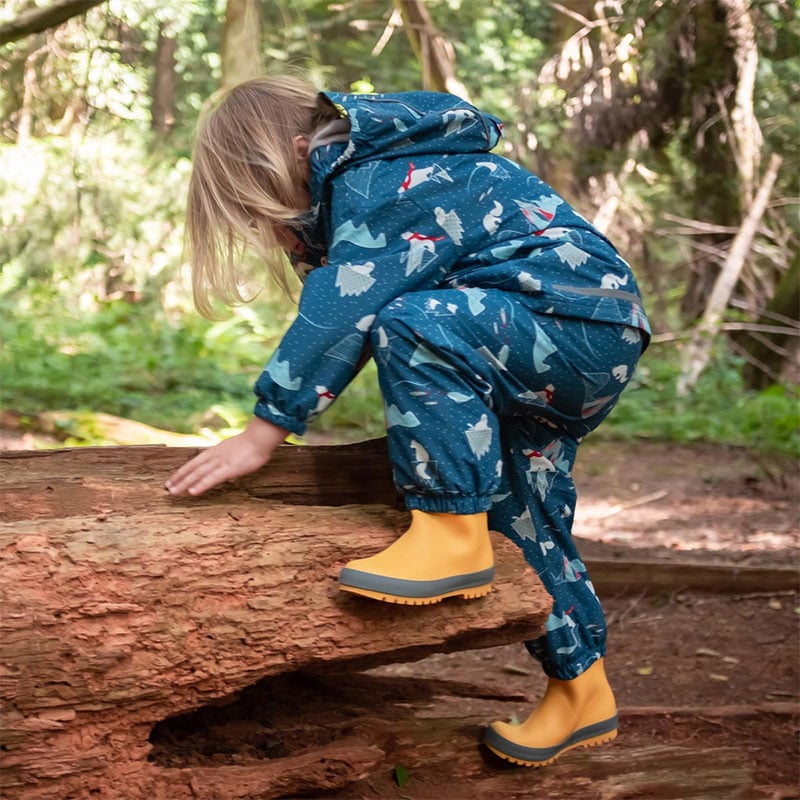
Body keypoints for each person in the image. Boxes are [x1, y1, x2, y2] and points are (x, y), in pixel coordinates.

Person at [166, 74, 650, 768]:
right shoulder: (373, 179)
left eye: (263, 200)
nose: (268, 226)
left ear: (297, 151)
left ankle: (450, 537)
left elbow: (343, 309)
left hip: (572, 320)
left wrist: (264, 429)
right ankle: (581, 689)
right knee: (517, 504)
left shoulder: (378, 175)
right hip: (546, 337)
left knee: (414, 324)